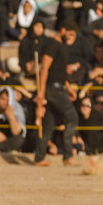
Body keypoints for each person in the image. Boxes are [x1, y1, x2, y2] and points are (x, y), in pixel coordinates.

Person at [33, 21, 79, 166]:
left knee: (48, 124)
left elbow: (59, 72)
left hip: (58, 87)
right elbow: (44, 69)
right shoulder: (53, 45)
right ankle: (67, 155)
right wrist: (41, 93)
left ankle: (39, 157)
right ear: (63, 29)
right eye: (70, 34)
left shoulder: (61, 47)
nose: (71, 38)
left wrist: (68, 87)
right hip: (53, 89)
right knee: (72, 117)